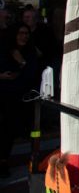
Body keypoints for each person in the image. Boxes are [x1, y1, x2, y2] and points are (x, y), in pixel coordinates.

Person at [0, 23, 38, 178]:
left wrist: (21, 62)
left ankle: (3, 162)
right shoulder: (4, 50)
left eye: (26, 33)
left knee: (8, 131)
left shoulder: (30, 52)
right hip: (2, 93)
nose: (24, 37)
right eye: (20, 33)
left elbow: (31, 74)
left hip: (17, 98)